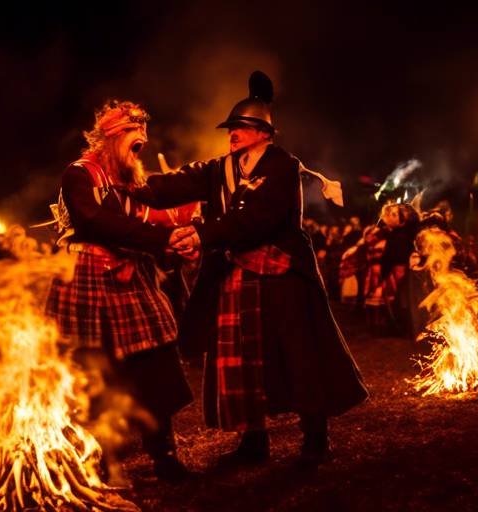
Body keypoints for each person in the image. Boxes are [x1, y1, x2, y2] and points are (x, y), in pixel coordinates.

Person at [125, 71, 368, 468]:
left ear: (263, 132)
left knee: (298, 355)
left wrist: (201, 233)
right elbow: (175, 184)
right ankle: (253, 442)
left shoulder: (283, 167)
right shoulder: (221, 167)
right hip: (234, 273)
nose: (233, 133)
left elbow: (257, 220)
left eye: (241, 127)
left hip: (282, 273)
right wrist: (128, 184)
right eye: (232, 128)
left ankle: (314, 437)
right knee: (239, 361)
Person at [44, 100, 193, 483]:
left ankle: (165, 456)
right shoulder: (79, 174)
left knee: (155, 366)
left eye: (144, 131)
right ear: (110, 138)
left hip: (133, 275)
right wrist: (161, 239)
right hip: (87, 277)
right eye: (132, 132)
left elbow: (158, 214)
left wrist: (178, 235)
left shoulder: (133, 181)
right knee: (93, 375)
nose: (142, 137)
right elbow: (94, 221)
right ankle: (99, 462)